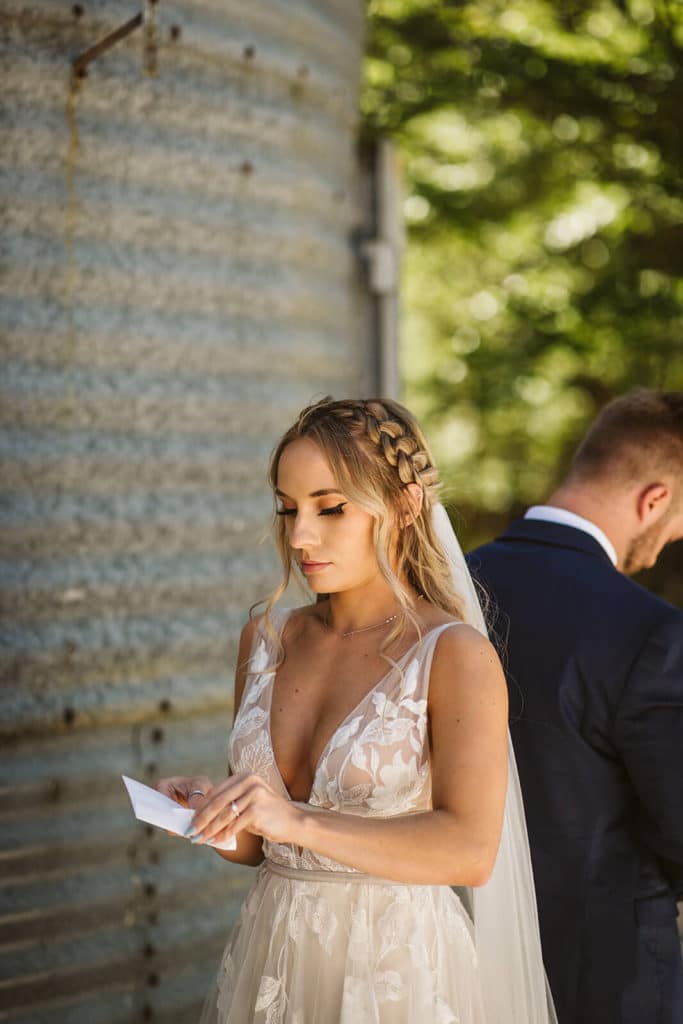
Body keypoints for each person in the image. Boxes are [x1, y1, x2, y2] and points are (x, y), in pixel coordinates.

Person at [158, 397, 554, 1024]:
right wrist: (213, 811)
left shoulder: (452, 655)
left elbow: (470, 851)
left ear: (404, 505)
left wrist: (296, 821)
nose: (299, 536)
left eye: (331, 508)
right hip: (273, 960)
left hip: (395, 972)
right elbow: (261, 847)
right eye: (288, 509)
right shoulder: (266, 640)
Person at [468, 389, 683, 1024]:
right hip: (610, 977)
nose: (672, 539)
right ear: (655, 499)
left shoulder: (448, 589)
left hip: (455, 956)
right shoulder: (648, 632)